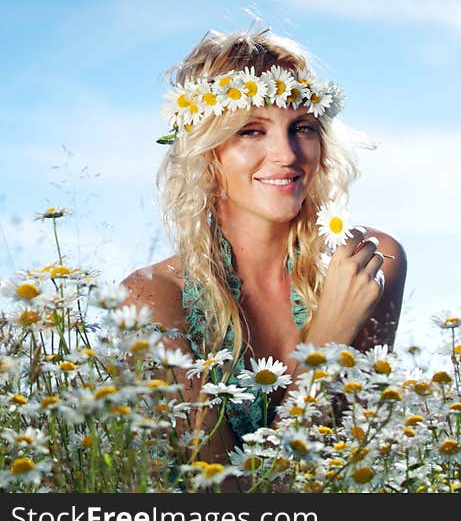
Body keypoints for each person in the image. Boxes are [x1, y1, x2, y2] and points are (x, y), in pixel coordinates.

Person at [122, 27, 406, 462]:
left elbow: (348, 462)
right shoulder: (153, 297)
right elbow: (223, 503)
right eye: (252, 131)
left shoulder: (367, 262)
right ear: (206, 150)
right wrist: (328, 342)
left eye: (302, 127)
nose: (288, 154)